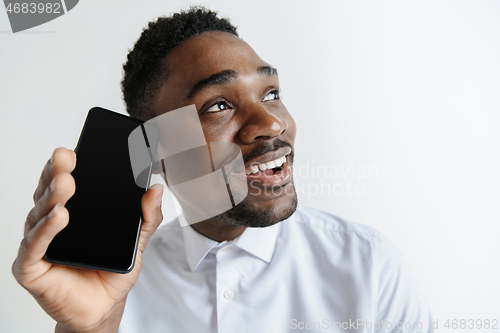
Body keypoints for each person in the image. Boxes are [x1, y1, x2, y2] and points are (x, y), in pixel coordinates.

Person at [13, 7, 433, 333]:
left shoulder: (368, 266)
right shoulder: (113, 290)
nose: (271, 124)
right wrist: (90, 329)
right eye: (219, 105)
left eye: (271, 93)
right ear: (153, 152)